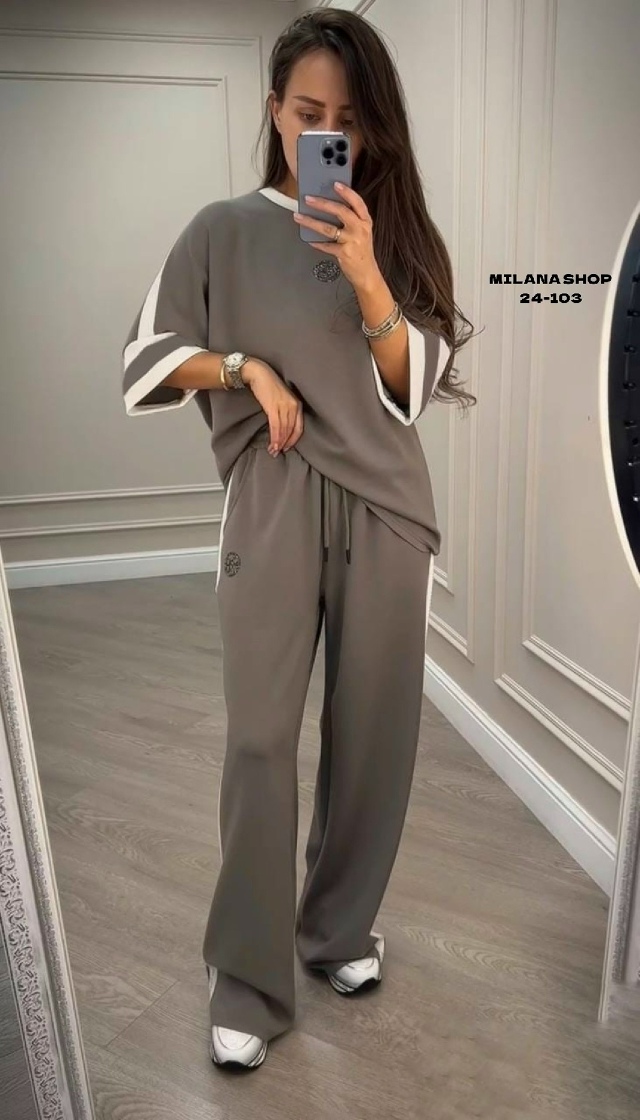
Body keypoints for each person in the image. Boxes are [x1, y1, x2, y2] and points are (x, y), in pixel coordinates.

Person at [121, 6, 475, 1073]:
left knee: (375, 738)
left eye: (349, 122)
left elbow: (414, 388)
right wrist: (245, 369)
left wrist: (367, 274)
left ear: (372, 130)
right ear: (274, 109)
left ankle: (337, 930)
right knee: (259, 740)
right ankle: (246, 975)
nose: (328, 136)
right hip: (272, 495)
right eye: (309, 113)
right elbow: (145, 357)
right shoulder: (220, 230)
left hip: (384, 506)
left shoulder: (390, 230)